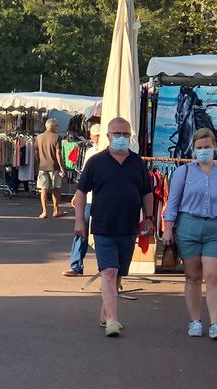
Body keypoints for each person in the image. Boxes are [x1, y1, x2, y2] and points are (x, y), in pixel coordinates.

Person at [74, 117, 153, 337]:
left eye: (125, 135)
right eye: (116, 134)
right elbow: (80, 194)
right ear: (108, 136)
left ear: (130, 137)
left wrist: (149, 218)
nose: (121, 138)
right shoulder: (96, 162)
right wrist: (79, 220)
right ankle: (112, 320)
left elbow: (147, 192)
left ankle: (105, 312)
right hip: (103, 226)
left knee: (118, 274)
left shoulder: (137, 163)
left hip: (128, 228)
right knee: (108, 271)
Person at [162, 127, 217, 341]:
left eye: (207, 147)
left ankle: (216, 323)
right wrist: (168, 228)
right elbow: (173, 203)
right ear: (193, 149)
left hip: (216, 228)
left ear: (214, 147)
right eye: (199, 148)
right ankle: (195, 320)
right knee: (193, 276)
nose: (203, 151)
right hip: (188, 226)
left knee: (214, 276)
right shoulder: (183, 172)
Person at [63, 124, 101, 276]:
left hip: (101, 200)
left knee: (102, 234)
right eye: (94, 136)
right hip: (88, 198)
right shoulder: (91, 152)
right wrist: (78, 195)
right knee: (81, 229)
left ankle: (105, 267)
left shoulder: (109, 153)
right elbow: (85, 178)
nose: (95, 138)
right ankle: (76, 264)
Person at [34, 118, 66, 218]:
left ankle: (44, 211)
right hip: (54, 167)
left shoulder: (39, 137)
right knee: (56, 188)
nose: (57, 127)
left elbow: (36, 153)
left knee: (43, 189)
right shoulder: (57, 137)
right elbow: (58, 153)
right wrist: (61, 167)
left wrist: (37, 164)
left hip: (42, 167)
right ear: (52, 126)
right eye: (56, 126)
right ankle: (56, 210)